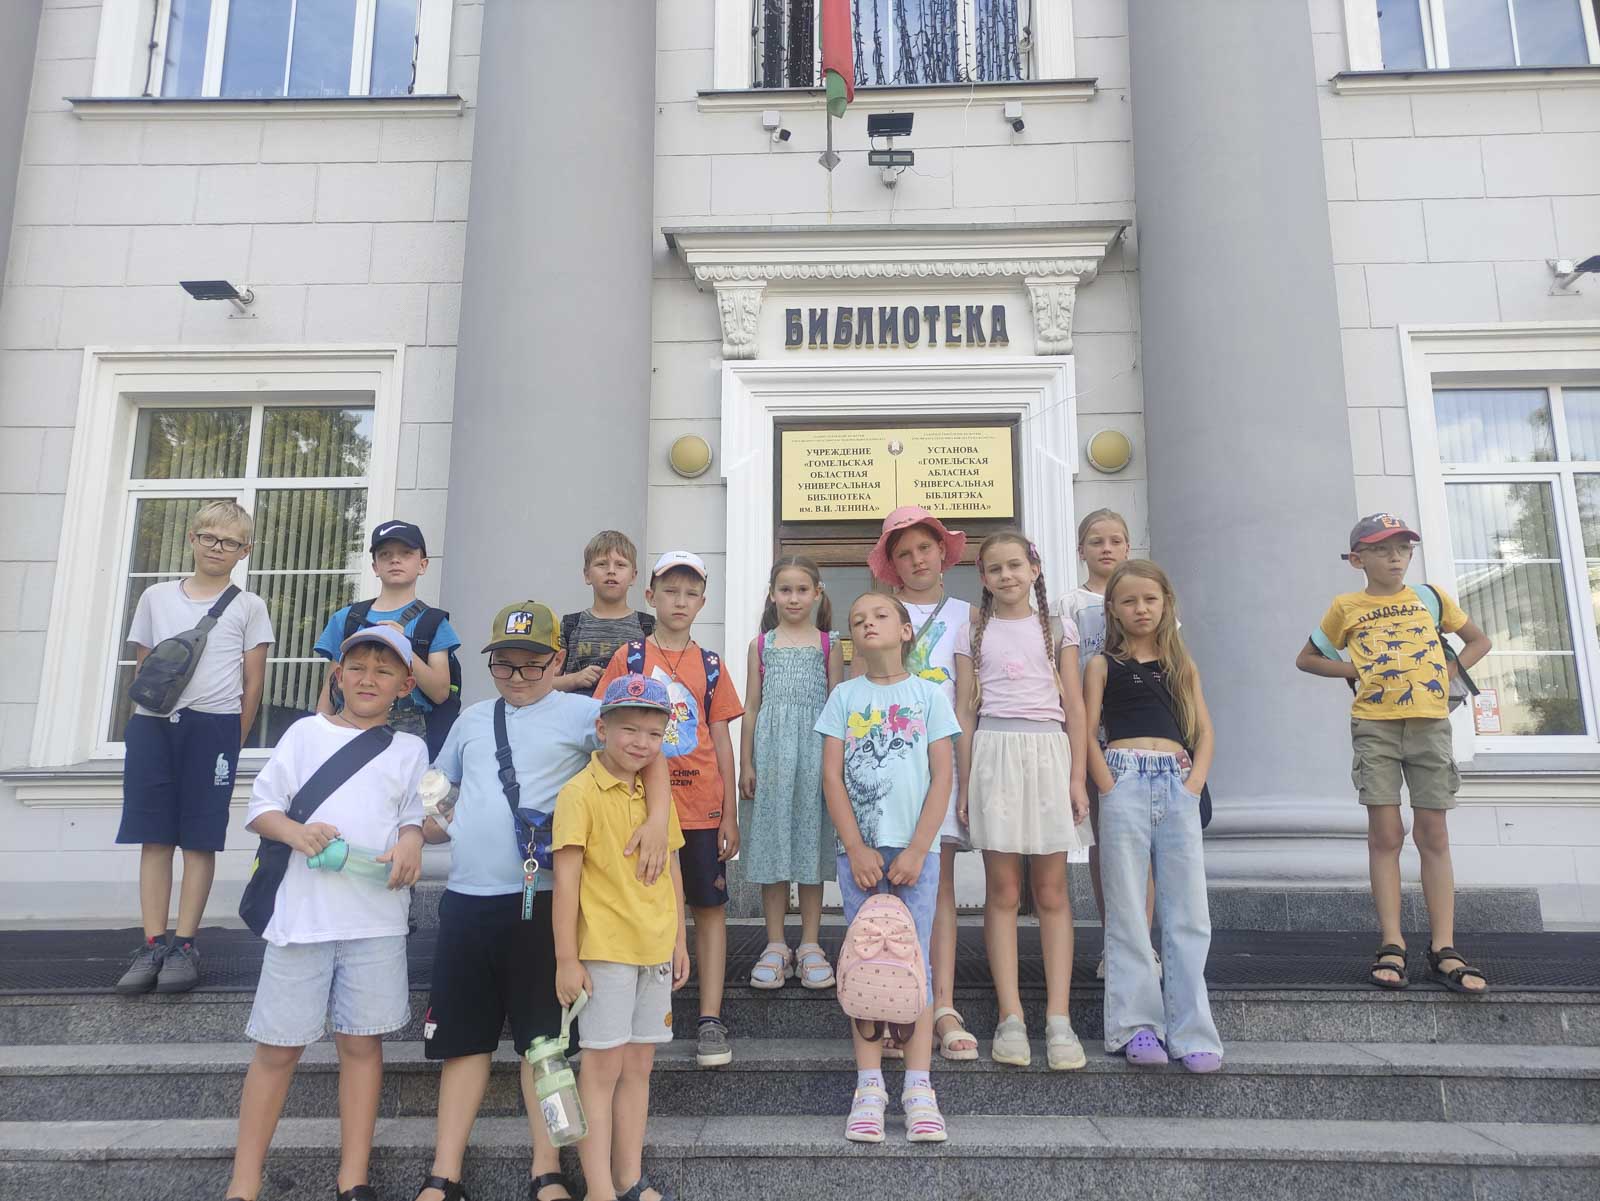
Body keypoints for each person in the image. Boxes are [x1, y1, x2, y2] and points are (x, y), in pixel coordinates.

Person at [414, 603, 672, 1201]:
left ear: (557, 660)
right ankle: (443, 1173)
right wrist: (422, 826)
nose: (518, 677)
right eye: (505, 665)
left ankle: (547, 1168)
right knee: (462, 1042)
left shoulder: (584, 714)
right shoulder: (472, 719)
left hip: (543, 904)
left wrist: (659, 819)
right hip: (467, 899)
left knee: (546, 1047)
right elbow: (437, 788)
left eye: (531, 665)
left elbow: (650, 753)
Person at [225, 625, 426, 1201]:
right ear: (337, 675)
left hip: (376, 922)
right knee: (277, 1050)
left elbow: (415, 816)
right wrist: (297, 831)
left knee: (362, 1047)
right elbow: (261, 808)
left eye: (384, 671)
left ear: (404, 686)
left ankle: (353, 1178)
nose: (368, 679)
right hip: (302, 921)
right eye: (357, 667)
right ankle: (244, 1182)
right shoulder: (304, 734)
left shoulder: (410, 750)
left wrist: (412, 840)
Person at [1295, 513, 1492, 995]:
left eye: (1403, 548)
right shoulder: (1346, 606)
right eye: (1382, 549)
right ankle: (1392, 942)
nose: (1395, 558)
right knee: (1385, 834)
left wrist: (1449, 671)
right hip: (1375, 728)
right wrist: (1355, 670)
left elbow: (1479, 641)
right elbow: (1307, 658)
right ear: (1357, 559)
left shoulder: (1430, 597)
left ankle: (1444, 947)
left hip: (1430, 725)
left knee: (1433, 833)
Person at [115, 499, 275, 996]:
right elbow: (147, 668)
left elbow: (253, 683)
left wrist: (232, 739)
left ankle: (185, 944)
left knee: (200, 839)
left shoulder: (249, 607)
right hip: (154, 727)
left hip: (214, 729)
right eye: (209, 537)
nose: (217, 548)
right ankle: (152, 943)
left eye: (229, 542)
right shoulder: (155, 597)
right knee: (154, 836)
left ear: (244, 551)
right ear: (192, 539)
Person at [818, 592, 961, 1144]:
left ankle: (919, 1087)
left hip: (914, 853)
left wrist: (920, 849)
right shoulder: (843, 697)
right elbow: (832, 776)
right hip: (860, 855)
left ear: (905, 631)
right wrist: (855, 847)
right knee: (866, 962)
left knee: (913, 961)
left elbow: (943, 776)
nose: (868, 624)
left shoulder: (929, 696)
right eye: (858, 620)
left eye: (880, 616)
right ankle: (870, 1087)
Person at [596, 551, 743, 1068]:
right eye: (670, 591)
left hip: (700, 807)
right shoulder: (630, 658)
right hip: (639, 810)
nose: (680, 601)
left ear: (702, 602)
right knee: (644, 903)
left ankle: (710, 1016)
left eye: (691, 593)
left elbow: (720, 739)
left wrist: (729, 813)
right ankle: (643, 1013)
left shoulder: (711, 665)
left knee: (709, 907)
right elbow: (603, 723)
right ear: (650, 596)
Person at [954, 530, 1091, 1071]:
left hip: (1048, 754)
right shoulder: (973, 631)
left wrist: (1077, 777)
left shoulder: (1058, 628)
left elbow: (1075, 706)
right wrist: (965, 781)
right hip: (994, 754)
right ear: (984, 578)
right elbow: (966, 710)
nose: (1006, 575)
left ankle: (1059, 1017)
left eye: (1015, 565)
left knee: (1052, 890)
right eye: (995, 568)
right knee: (1004, 889)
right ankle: (1010, 1016)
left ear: (1034, 569)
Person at [553, 674, 690, 1201]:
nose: (641, 743)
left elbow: (671, 865)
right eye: (629, 729)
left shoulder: (654, 796)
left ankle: (630, 1179)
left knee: (639, 1065)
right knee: (602, 1066)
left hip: (654, 945)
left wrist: (679, 939)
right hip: (605, 950)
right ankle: (599, 1188)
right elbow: (566, 883)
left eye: (654, 734)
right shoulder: (579, 793)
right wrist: (567, 958)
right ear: (602, 728)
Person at [1083, 560, 1223, 1073]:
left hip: (1176, 780)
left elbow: (1203, 730)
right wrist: (1106, 782)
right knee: (1126, 906)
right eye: (1129, 601)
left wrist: (1194, 783)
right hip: (1123, 776)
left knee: (1188, 911)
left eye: (1150, 599)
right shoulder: (1101, 666)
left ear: (1166, 604)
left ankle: (1192, 1030)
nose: (1140, 609)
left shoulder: (1181, 664)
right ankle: (1136, 1026)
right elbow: (1086, 729)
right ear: (1113, 609)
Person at [863, 504, 978, 1061]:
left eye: (925, 548)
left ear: (942, 552)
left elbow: (967, 704)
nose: (916, 560)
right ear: (892, 563)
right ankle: (890, 1002)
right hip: (887, 770)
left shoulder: (966, 615)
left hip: (939, 769)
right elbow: (858, 694)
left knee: (938, 887)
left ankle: (941, 1003)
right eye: (904, 553)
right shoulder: (877, 612)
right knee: (887, 893)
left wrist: (966, 778)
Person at [738, 555, 843, 990]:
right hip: (771, 758)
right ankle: (776, 943)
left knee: (810, 847)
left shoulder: (829, 644)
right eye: (785, 590)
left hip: (815, 757)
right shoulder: (761, 646)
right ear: (772, 595)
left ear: (817, 593)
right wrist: (746, 762)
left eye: (802, 589)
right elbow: (751, 708)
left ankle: (811, 943)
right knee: (773, 847)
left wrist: (835, 765)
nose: (794, 598)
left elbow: (837, 707)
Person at [1063, 508, 1155, 979]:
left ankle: (1144, 943)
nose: (1106, 548)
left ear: (1127, 546)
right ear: (1081, 549)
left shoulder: (1146, 597)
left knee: (1143, 843)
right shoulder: (1070, 605)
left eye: (1116, 540)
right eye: (1096, 541)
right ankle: (1114, 941)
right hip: (1092, 733)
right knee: (1108, 840)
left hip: (1141, 727)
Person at [313, 520, 463, 756]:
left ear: (422, 564)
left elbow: (440, 692)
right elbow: (332, 687)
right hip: (350, 728)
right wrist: (318, 735)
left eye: (406, 553)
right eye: (385, 554)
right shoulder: (348, 618)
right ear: (375, 567)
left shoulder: (432, 622)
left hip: (409, 736)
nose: (395, 560)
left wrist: (403, 646)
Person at [556, 530, 657, 695]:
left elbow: (661, 681)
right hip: (581, 709)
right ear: (587, 575)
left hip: (630, 708)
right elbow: (545, 684)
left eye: (620, 565)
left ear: (633, 576)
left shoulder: (648, 627)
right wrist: (575, 679)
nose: (611, 571)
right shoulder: (570, 625)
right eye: (602, 564)